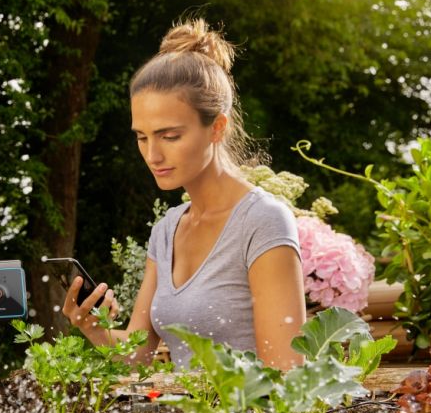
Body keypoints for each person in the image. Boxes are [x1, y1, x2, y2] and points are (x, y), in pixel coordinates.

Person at [62, 19, 305, 370]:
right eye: (142, 137)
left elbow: (287, 373)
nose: (152, 155)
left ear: (217, 128)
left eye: (170, 136)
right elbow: (137, 354)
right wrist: (93, 327)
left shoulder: (262, 221)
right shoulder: (167, 229)